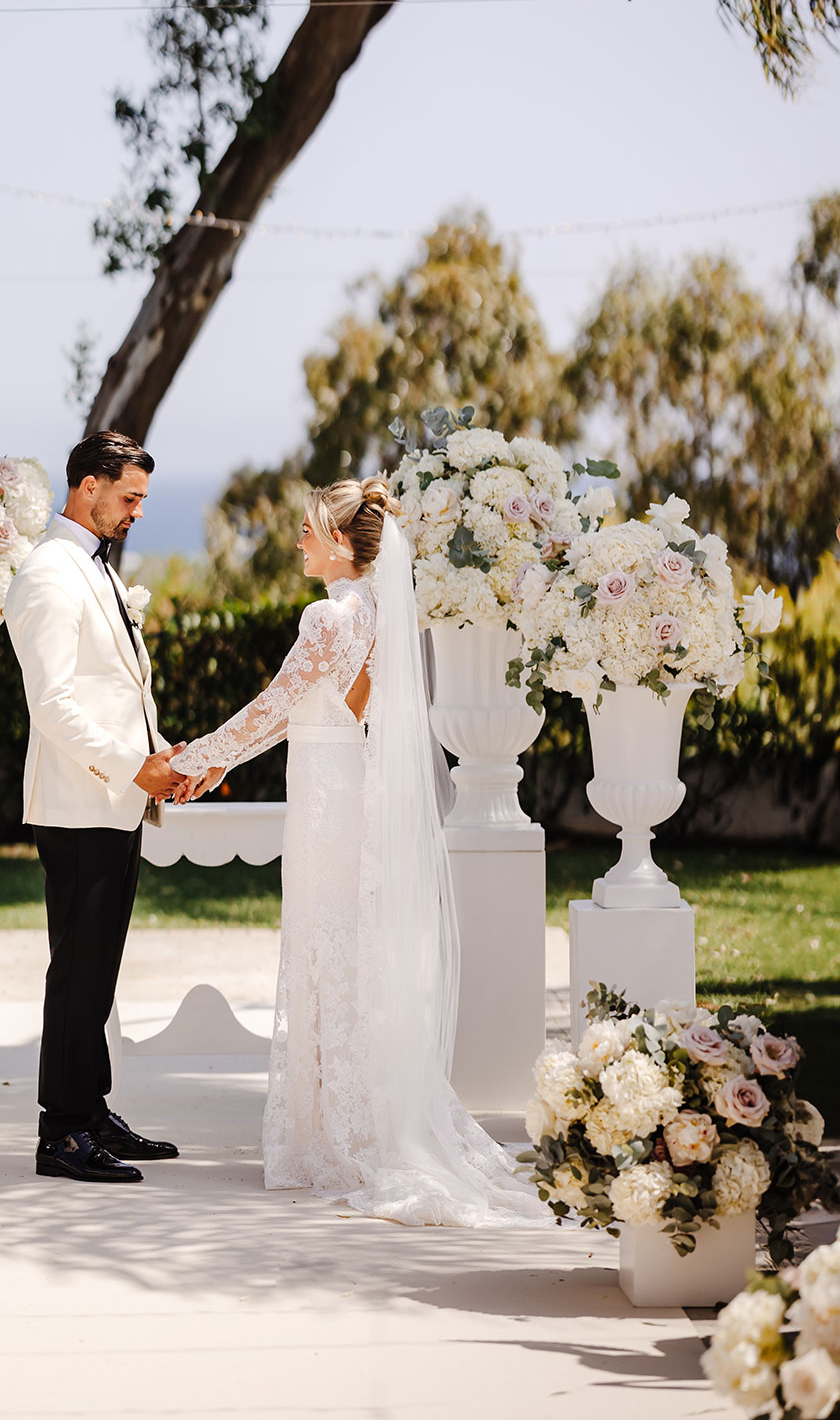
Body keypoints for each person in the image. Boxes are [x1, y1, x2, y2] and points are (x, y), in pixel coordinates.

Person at [172, 479, 548, 1227]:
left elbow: (276, 702)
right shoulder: (377, 612)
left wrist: (198, 757)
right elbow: (303, 709)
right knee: (344, 950)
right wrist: (220, 763)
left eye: (309, 530)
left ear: (341, 541)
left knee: (324, 948)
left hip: (325, 800)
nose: (300, 542)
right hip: (346, 780)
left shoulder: (328, 615)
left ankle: (339, 1134)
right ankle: (347, 1118)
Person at [5, 431, 185, 1184]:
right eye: (130, 497)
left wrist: (165, 756)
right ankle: (63, 1133)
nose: (138, 511)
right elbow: (51, 705)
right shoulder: (50, 573)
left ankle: (91, 1108)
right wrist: (129, 767)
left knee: (95, 969)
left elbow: (117, 690)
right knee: (76, 972)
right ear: (88, 487)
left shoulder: (89, 567)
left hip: (110, 800)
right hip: (81, 803)